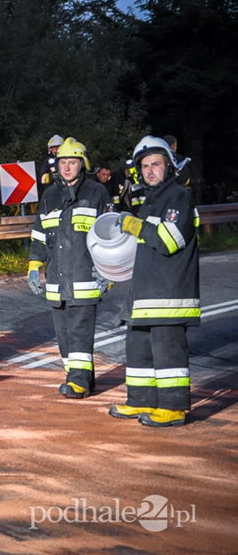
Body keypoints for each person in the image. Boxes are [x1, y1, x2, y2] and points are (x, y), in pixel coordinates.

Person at [109, 136, 199, 427]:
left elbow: (171, 240)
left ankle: (174, 408)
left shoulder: (178, 197)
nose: (150, 171)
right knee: (138, 350)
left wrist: (135, 224)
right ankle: (140, 401)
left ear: (169, 166)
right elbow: (140, 246)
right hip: (145, 293)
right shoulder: (151, 199)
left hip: (169, 294)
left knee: (168, 353)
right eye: (145, 166)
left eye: (156, 165)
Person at [27, 137, 112, 398]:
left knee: (79, 332)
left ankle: (77, 381)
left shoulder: (97, 193)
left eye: (72, 162)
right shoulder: (50, 196)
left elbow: (109, 233)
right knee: (63, 335)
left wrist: (107, 271)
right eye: (63, 162)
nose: (66, 168)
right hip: (56, 280)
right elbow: (40, 235)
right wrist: (34, 265)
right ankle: (82, 377)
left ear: (82, 164)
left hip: (85, 277)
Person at [36, 134, 64, 198]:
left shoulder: (68, 159)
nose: (56, 149)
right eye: (54, 147)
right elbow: (42, 179)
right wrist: (53, 177)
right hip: (52, 190)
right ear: (50, 149)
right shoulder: (47, 162)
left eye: (58, 146)